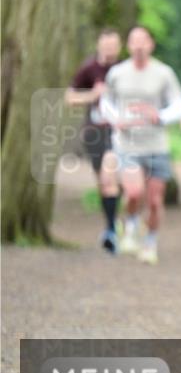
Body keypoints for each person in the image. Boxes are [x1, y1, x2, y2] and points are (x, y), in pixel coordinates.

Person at [99, 26, 181, 265]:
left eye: (143, 41)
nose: (138, 46)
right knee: (133, 192)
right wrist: (116, 119)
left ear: (151, 44)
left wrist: (160, 116)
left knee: (155, 202)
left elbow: (180, 105)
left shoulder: (164, 73)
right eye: (134, 41)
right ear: (128, 45)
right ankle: (130, 225)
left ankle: (150, 242)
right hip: (127, 144)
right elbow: (105, 102)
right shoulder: (117, 73)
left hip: (157, 145)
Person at [66, 28, 122, 254]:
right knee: (104, 183)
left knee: (110, 177)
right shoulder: (89, 69)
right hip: (95, 132)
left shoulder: (124, 69)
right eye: (106, 46)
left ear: (119, 47)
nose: (110, 50)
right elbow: (70, 98)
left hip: (119, 132)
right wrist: (92, 95)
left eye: (113, 46)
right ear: (99, 46)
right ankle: (111, 226)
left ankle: (113, 230)